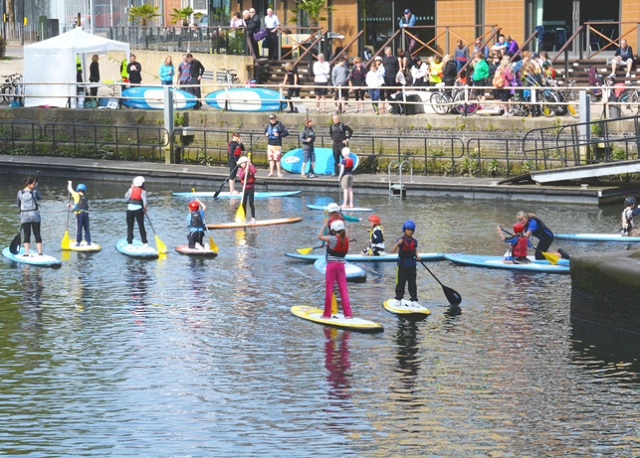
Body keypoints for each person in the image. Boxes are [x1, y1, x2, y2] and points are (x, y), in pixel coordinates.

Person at [317, 219, 352, 319]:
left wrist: (323, 226)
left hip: (332, 266)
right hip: (341, 266)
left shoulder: (331, 238)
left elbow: (319, 237)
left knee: (329, 289)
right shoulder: (345, 239)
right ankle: (348, 314)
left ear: (333, 229)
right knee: (343, 289)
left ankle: (327, 314)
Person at [390, 220, 420, 307]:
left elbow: (415, 250)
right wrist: (397, 244)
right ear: (404, 230)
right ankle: (399, 298)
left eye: (411, 230)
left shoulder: (414, 241)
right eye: (408, 230)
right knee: (401, 282)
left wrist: (418, 256)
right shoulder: (401, 240)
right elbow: (392, 251)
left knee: (412, 283)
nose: (409, 231)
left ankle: (414, 299)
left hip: (412, 265)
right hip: (402, 265)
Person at [17, 176, 43, 256]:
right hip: (35, 215)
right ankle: (40, 252)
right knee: (37, 234)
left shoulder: (20, 192)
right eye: (33, 184)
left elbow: (18, 204)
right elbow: (40, 198)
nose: (34, 185)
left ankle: (26, 253)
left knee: (26, 234)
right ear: (29, 184)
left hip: (25, 216)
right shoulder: (34, 192)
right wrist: (36, 190)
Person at [125, 176, 148, 248]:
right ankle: (144, 243)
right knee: (141, 226)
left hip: (129, 210)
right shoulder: (143, 192)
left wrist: (131, 188)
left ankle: (129, 243)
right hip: (139, 211)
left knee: (130, 227)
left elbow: (126, 197)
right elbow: (145, 203)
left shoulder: (130, 189)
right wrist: (145, 210)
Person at [67, 181, 92, 246]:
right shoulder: (85, 197)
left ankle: (78, 242)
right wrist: (71, 206)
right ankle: (88, 241)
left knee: (79, 227)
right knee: (86, 228)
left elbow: (70, 189)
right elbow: (78, 206)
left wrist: (70, 183)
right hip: (86, 214)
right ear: (84, 190)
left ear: (78, 189)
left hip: (79, 214)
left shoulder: (76, 194)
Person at [237, 156, 257, 223]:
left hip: (251, 188)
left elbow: (255, 171)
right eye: (240, 164)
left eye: (242, 163)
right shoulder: (241, 169)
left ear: (245, 163)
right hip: (244, 189)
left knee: (251, 203)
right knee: (243, 204)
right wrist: (245, 172)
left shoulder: (250, 167)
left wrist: (250, 164)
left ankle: (253, 218)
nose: (241, 165)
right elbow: (240, 176)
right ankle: (244, 218)